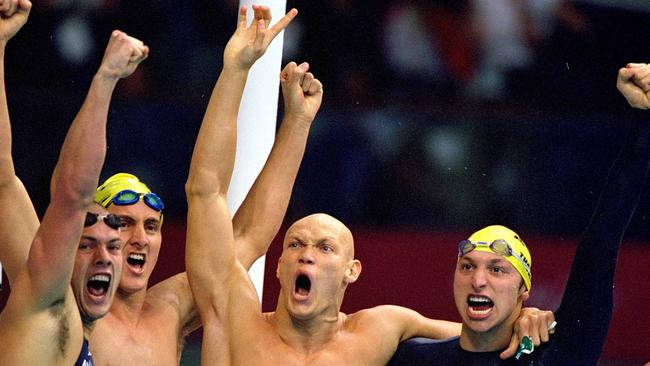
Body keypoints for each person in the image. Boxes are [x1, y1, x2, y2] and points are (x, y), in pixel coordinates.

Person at [184, 7, 556, 366]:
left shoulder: (379, 332)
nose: (306, 254)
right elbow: (206, 191)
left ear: (352, 270)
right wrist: (235, 71)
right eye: (295, 244)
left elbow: (480, 333)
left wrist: (525, 320)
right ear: (279, 266)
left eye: (325, 247)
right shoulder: (235, 322)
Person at [87, 5, 312, 365]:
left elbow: (248, 235)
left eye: (150, 226)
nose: (140, 239)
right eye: (125, 223)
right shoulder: (66, 309)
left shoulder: (169, 310)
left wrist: (296, 124)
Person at [387, 63, 650, 365]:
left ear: (524, 291)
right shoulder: (411, 358)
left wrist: (644, 118)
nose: (478, 280)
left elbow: (605, 233)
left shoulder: (560, 353)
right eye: (468, 267)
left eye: (497, 269)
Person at [0, 2, 148, 364]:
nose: (103, 259)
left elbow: (3, 179)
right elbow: (72, 197)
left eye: (114, 247)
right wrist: (106, 79)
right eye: (85, 246)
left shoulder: (74, 328)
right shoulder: (49, 310)